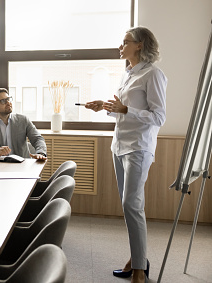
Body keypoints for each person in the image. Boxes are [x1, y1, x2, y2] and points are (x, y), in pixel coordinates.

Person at [85, 26, 167, 283]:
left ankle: (140, 270)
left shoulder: (153, 74)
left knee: (132, 205)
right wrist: (106, 108)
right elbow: (123, 112)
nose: (120, 47)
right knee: (129, 206)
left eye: (125, 42)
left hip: (139, 148)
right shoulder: (127, 74)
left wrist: (125, 109)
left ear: (140, 45)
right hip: (118, 146)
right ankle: (136, 259)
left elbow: (159, 117)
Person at [0, 88, 47, 160]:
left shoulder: (23, 120)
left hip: (22, 165)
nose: (8, 103)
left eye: (8, 99)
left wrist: (40, 153)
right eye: (3, 101)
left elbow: (38, 139)